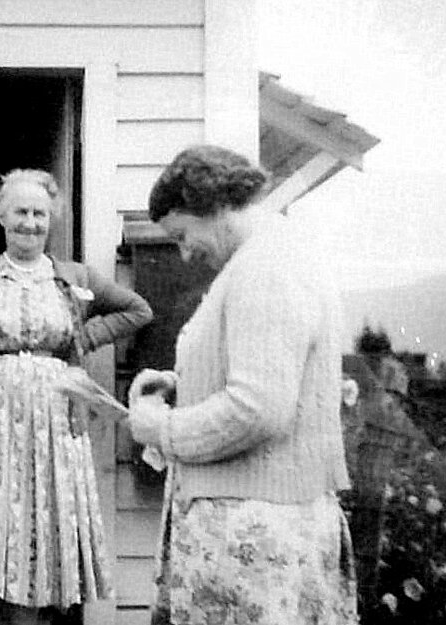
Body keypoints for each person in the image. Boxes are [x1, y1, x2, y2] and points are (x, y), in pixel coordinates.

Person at [128, 145, 359, 625]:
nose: (184, 253)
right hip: (256, 527)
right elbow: (267, 377)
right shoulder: (261, 259)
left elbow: (258, 409)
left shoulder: (266, 267)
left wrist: (160, 430)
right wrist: (185, 384)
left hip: (256, 539)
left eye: (182, 235)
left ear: (212, 205)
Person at [0, 169, 153, 624]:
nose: (30, 223)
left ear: (51, 219)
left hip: (51, 429)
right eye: (20, 212)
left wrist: (85, 337)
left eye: (40, 214)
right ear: (1, 216)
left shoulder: (73, 278)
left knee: (31, 531)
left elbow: (137, 310)